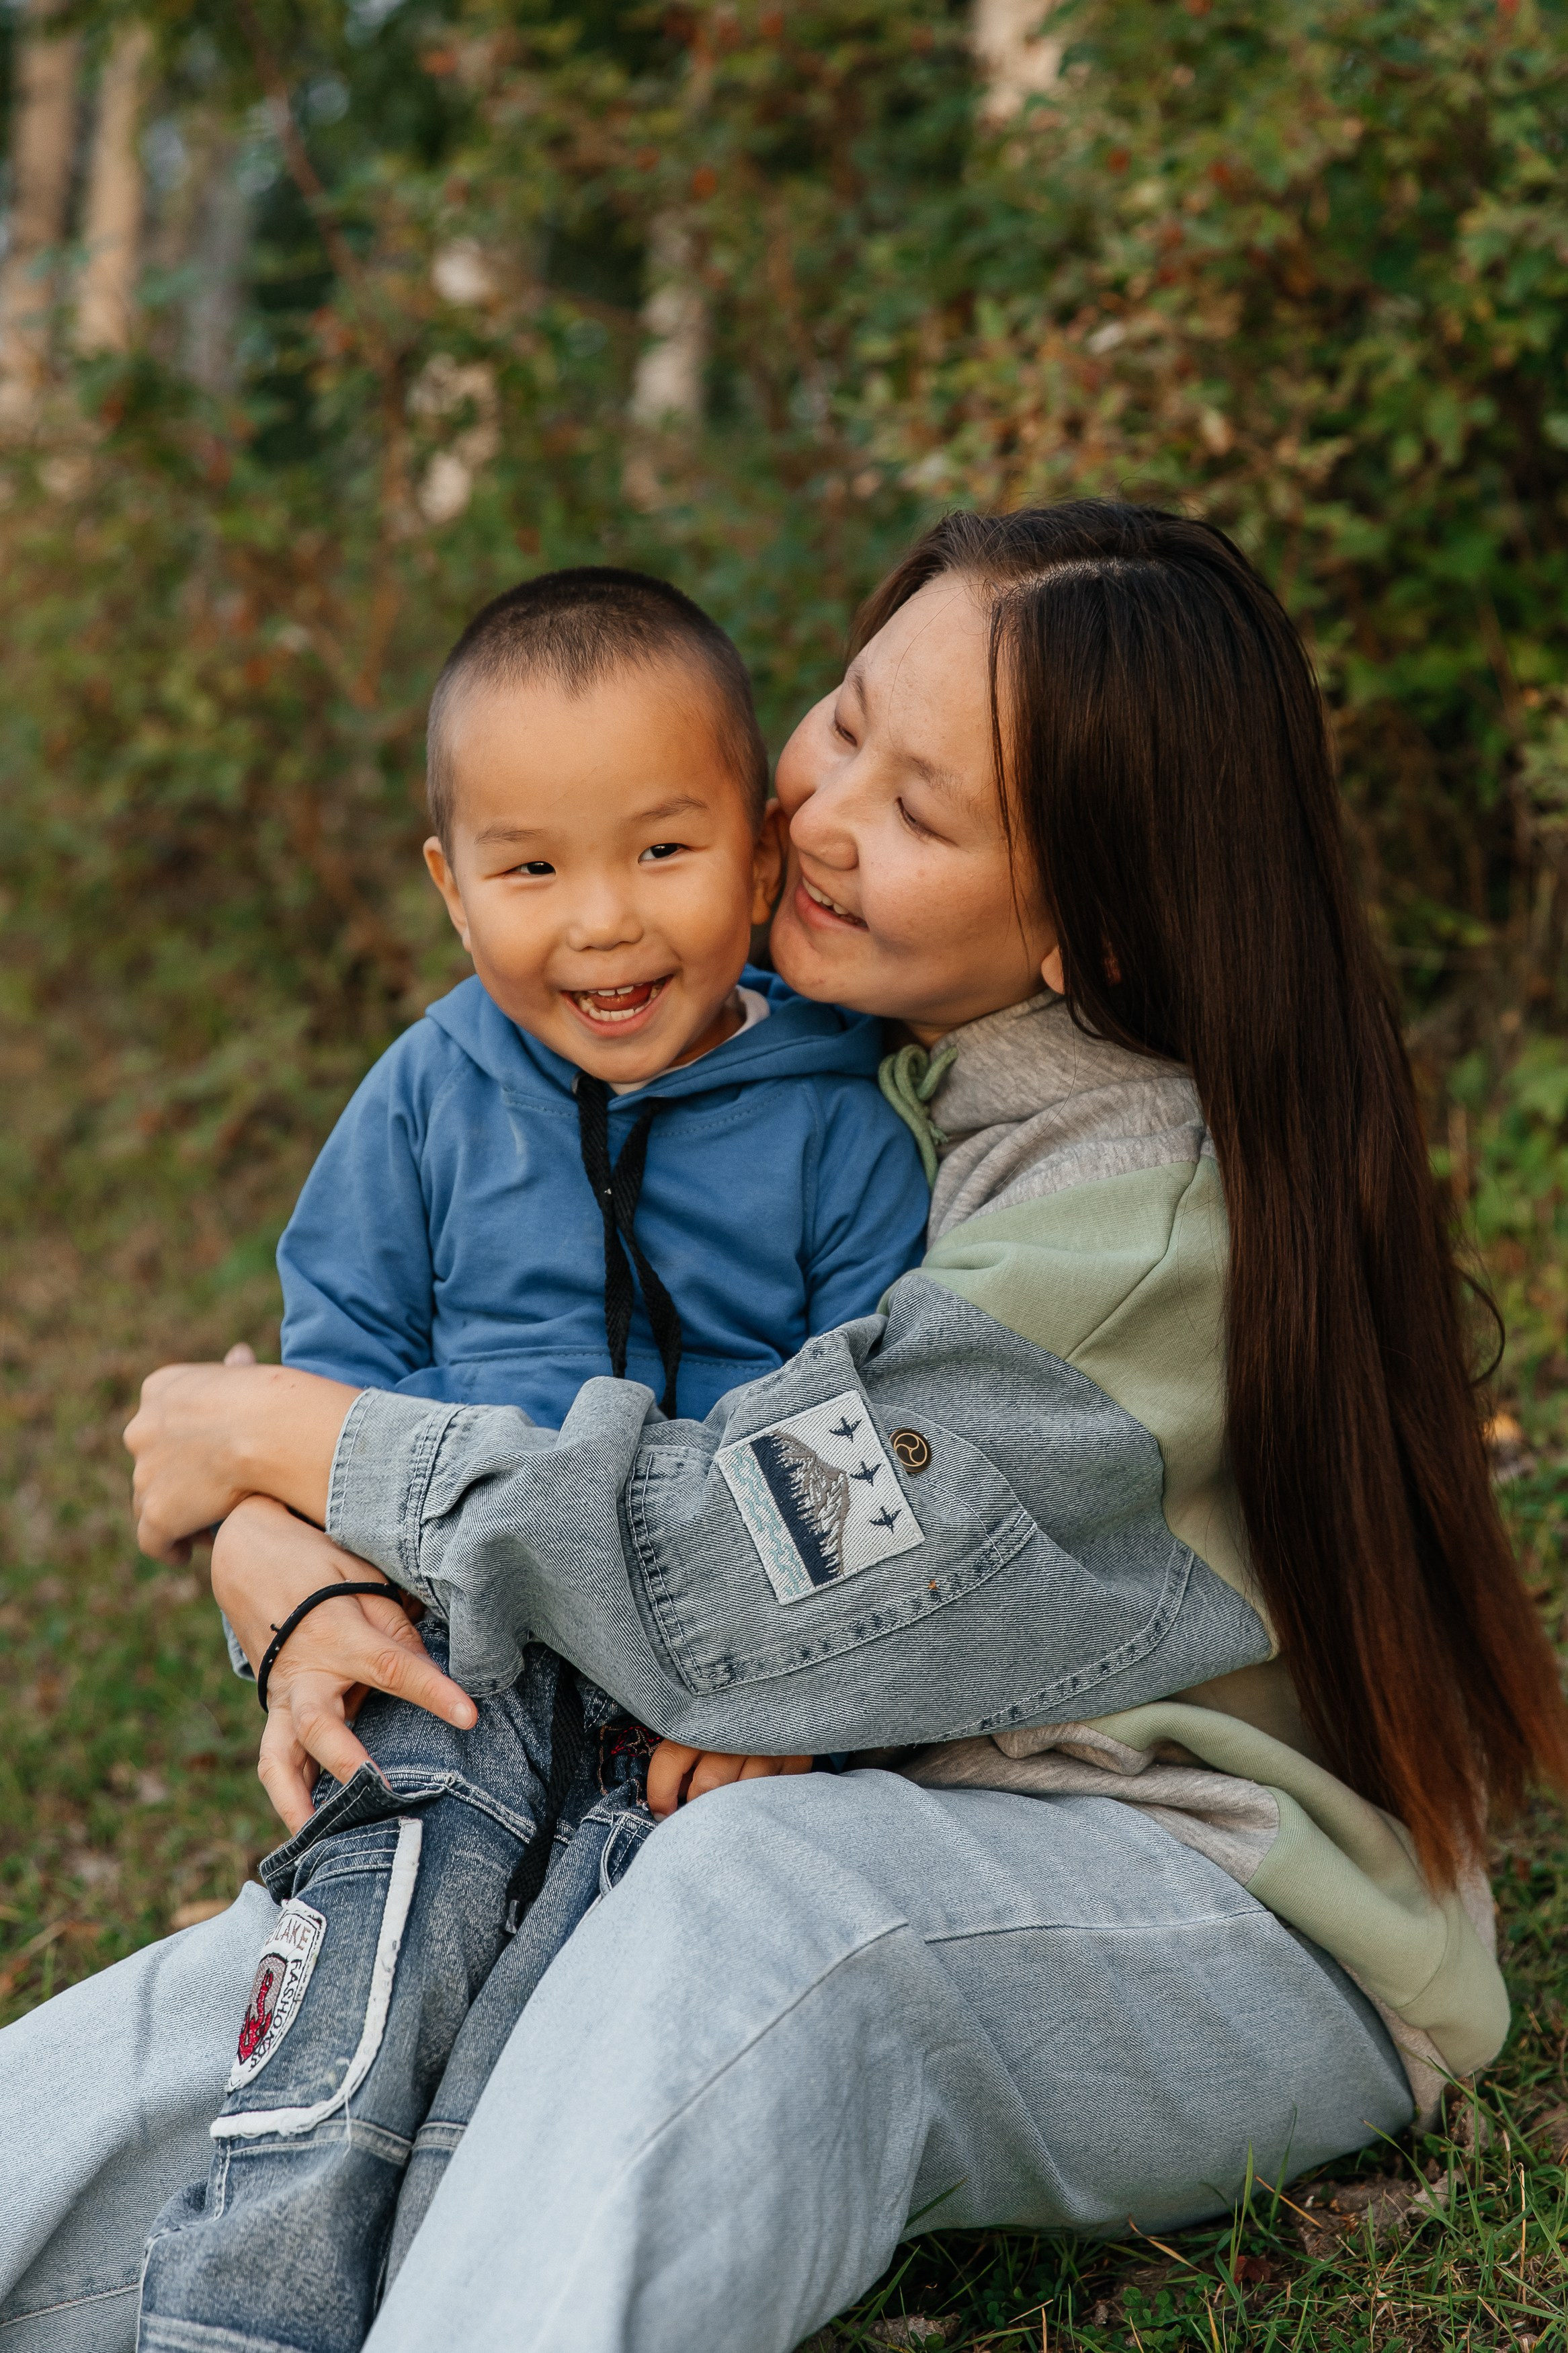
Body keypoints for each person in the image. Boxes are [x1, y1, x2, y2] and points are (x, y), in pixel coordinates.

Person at [5, 502, 1567, 2353]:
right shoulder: (850, 1074)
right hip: (780, 1791)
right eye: (845, 715)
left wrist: (296, 1438)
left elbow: (734, 1586)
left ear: (1103, 923)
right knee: (338, 1963)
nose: (816, 813)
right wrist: (279, 1569)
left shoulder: (1130, 1222)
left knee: (751, 1905)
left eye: (920, 810)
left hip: (1212, 1905)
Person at [134, 566, 932, 2350]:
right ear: (448, 882)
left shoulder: (836, 1121)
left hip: (707, 1679)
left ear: (757, 847)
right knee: (380, 1916)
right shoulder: (425, 1095)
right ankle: (238, 2311)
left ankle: (465, 2280)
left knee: (581, 1986)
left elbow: (867, 1428)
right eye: (530, 869)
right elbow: (334, 1359)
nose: (601, 927)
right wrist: (321, 1573)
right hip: (463, 1635)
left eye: (662, 852)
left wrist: (801, 1677)